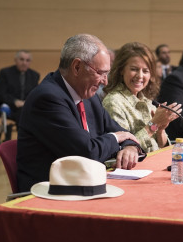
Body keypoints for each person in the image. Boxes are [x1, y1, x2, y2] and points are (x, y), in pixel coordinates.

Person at [16, 34, 145, 192]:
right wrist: (117, 138)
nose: (105, 81)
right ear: (77, 67)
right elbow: (86, 153)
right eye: (101, 73)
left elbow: (121, 132)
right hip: (50, 192)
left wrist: (130, 147)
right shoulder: (47, 98)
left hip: (84, 185)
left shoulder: (89, 97)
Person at [102, 43, 181, 153]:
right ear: (121, 70)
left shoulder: (148, 102)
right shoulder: (113, 102)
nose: (140, 76)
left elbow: (162, 148)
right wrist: (154, 125)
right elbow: (123, 149)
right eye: (134, 69)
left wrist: (160, 130)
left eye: (145, 71)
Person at [0, 50, 40, 139]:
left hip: (27, 106)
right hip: (10, 106)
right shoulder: (5, 73)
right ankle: (23, 140)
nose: (24, 63)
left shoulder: (35, 75)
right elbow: (1, 94)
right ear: (15, 60)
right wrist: (15, 101)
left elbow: (35, 94)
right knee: (22, 115)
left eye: (27, 60)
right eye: (22, 59)